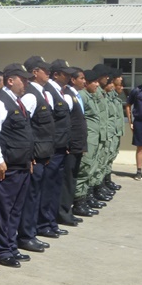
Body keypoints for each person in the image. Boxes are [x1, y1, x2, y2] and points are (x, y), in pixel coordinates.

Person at [0, 64, 35, 268]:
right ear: (11, 80)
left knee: (15, 210)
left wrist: (29, 159)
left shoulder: (17, 102)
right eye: (23, 79)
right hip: (8, 166)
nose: (27, 83)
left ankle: (11, 246)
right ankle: (1, 250)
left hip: (21, 164)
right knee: (2, 211)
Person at [17, 56, 54, 253]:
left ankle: (31, 232)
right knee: (30, 198)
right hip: (34, 156)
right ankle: (25, 236)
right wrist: (29, 155)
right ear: (34, 72)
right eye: (44, 70)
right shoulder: (31, 96)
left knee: (36, 196)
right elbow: (25, 127)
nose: (48, 73)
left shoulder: (41, 93)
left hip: (43, 154)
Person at [38, 59, 76, 239]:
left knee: (55, 187)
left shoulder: (60, 92)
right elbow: (49, 123)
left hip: (61, 147)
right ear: (56, 74)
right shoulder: (48, 92)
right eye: (65, 73)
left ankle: (51, 222)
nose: (69, 77)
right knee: (47, 188)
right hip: (52, 149)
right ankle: (43, 223)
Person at [58, 68, 88, 227]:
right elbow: (66, 122)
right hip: (71, 145)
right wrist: (68, 142)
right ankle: (63, 213)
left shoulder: (76, 95)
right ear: (73, 80)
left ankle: (67, 210)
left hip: (77, 144)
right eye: (81, 78)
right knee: (67, 180)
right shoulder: (68, 96)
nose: (84, 81)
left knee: (73, 178)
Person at [75, 69, 105, 218]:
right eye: (94, 82)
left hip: (94, 139)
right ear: (86, 83)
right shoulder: (81, 96)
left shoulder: (90, 96)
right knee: (84, 170)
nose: (97, 85)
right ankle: (78, 202)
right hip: (87, 140)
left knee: (91, 169)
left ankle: (86, 197)